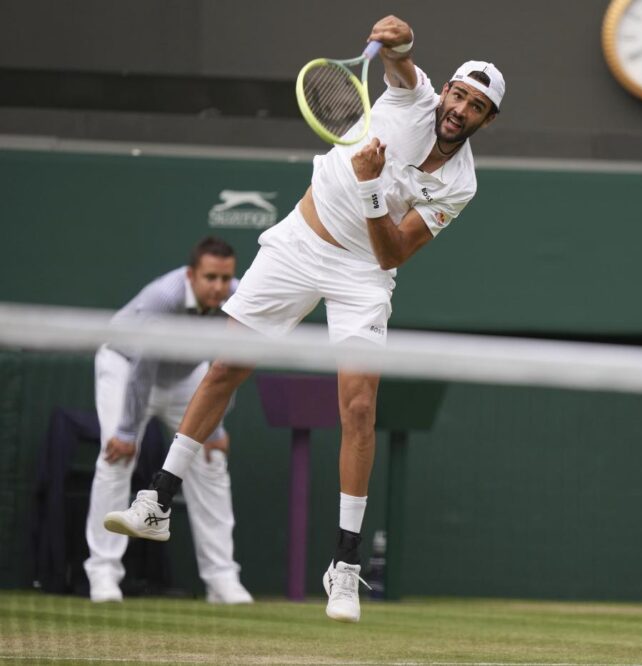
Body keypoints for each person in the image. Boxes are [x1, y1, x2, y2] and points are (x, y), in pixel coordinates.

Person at [103, 14, 504, 623]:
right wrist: (399, 38)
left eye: (475, 106)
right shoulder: (412, 92)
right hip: (299, 244)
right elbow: (399, 55)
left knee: (360, 407)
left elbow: (391, 252)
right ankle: (156, 500)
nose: (460, 109)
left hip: (363, 274)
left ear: (484, 121)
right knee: (226, 366)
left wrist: (371, 188)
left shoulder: (461, 184)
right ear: (444, 90)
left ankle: (344, 568)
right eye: (458, 94)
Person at [88, 237, 252, 605]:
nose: (218, 286)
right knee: (116, 456)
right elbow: (143, 367)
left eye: (225, 278)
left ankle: (222, 578)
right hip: (126, 366)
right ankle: (103, 573)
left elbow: (231, 364)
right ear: (191, 275)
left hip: (186, 376)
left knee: (211, 461)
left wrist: (216, 427)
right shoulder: (163, 298)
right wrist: (128, 432)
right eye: (210, 277)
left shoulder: (239, 297)